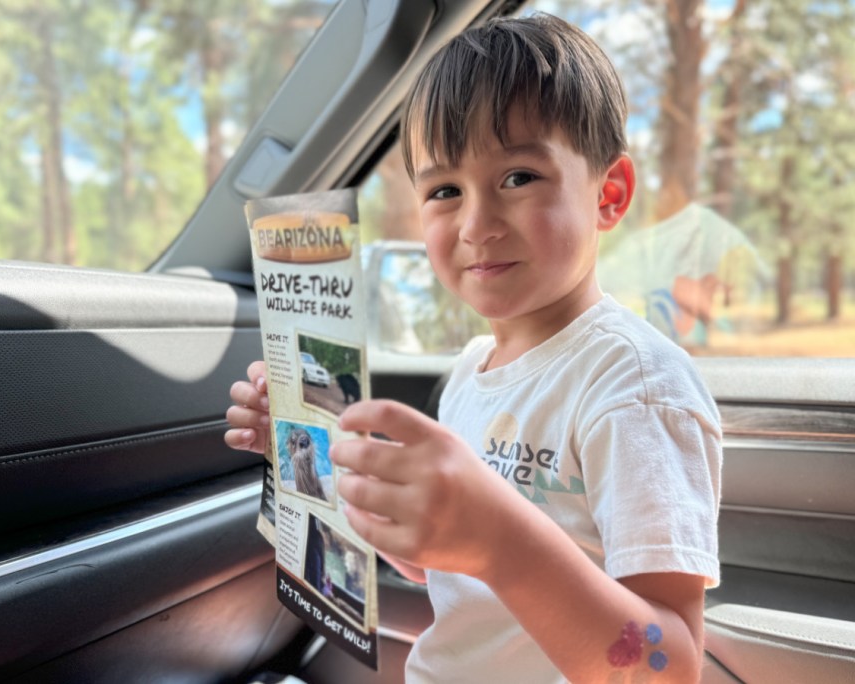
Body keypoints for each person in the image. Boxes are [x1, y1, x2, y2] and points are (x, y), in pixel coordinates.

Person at [225, 13, 721, 683]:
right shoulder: (472, 371)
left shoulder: (632, 385)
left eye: (518, 177)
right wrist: (313, 459)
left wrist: (501, 542)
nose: (477, 225)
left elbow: (672, 668)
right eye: (444, 191)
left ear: (609, 195)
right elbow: (449, 569)